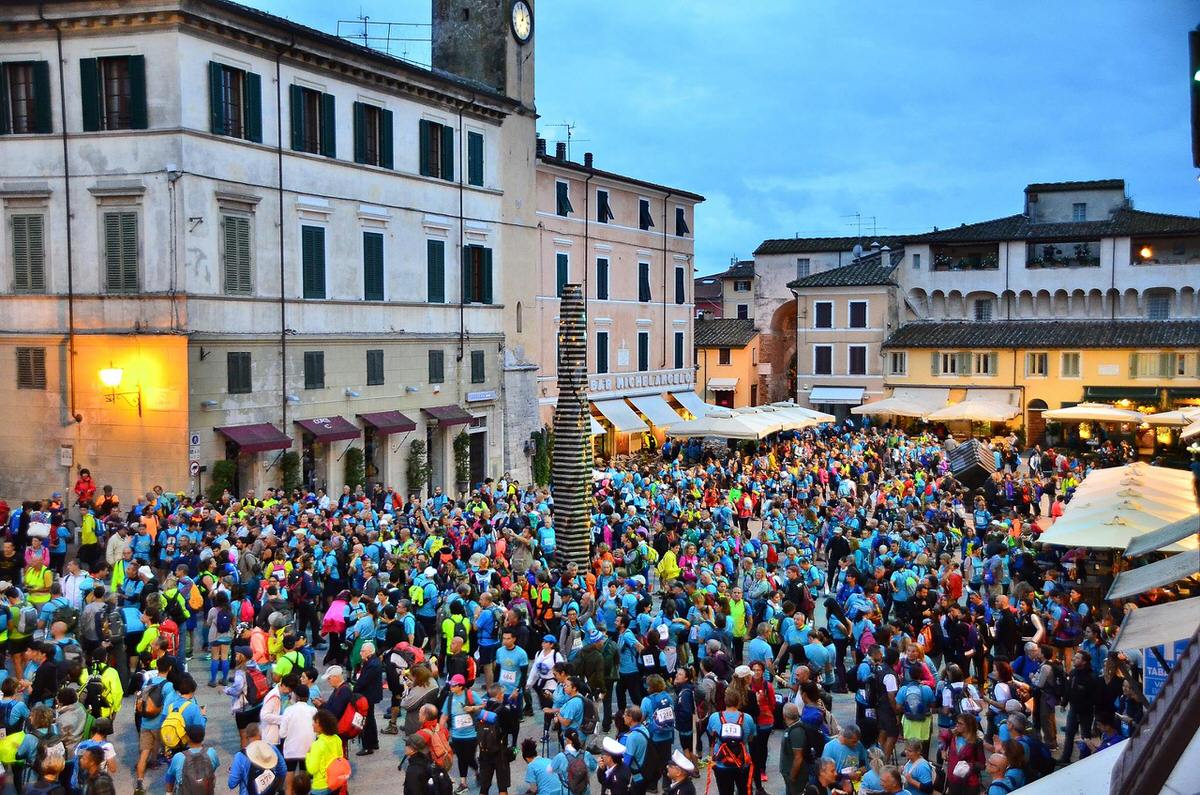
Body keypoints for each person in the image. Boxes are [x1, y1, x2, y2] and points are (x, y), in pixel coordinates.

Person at [163, 725, 220, 795]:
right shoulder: (211, 752)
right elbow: (213, 770)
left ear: (187, 738)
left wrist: (169, 792)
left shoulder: (179, 757)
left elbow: (170, 778)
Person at [305, 708, 347, 795]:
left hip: (321, 786)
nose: (313, 724)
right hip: (335, 783)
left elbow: (312, 769)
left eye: (315, 722)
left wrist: (308, 754)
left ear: (322, 726)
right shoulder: (337, 739)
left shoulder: (317, 745)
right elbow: (340, 758)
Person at [353, 641, 383, 756]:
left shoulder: (372, 664)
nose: (360, 653)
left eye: (363, 651)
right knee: (370, 719)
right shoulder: (372, 661)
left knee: (365, 720)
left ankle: (367, 746)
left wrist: (354, 689)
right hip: (371, 695)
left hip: (368, 695)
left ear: (370, 652)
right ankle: (374, 742)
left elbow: (363, 681)